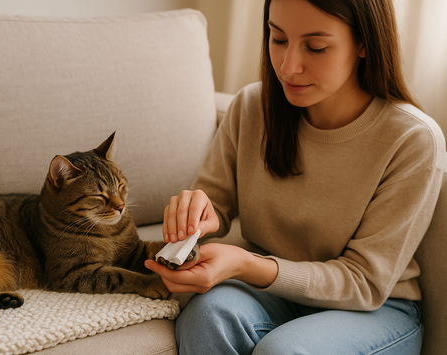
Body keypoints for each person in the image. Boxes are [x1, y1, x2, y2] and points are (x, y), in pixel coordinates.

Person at [145, 0, 446, 353]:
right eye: (278, 39)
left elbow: (364, 283)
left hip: (374, 309)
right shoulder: (253, 106)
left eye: (316, 47)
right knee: (206, 315)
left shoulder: (411, 138)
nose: (288, 67)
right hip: (275, 294)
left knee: (285, 350)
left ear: (365, 43)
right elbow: (216, 203)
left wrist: (246, 264)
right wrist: (196, 213)